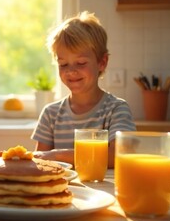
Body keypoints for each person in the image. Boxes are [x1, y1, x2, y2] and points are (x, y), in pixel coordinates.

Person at [31, 11, 136, 168]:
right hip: (63, 191)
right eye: (63, 64)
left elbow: (118, 156)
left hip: (105, 191)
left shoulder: (116, 110)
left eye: (80, 63)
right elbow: (40, 164)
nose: (71, 71)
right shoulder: (50, 114)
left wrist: (58, 155)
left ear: (102, 62)